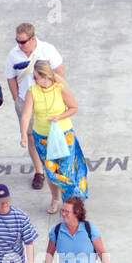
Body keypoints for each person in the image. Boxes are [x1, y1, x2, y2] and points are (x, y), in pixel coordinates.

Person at [19, 60, 88, 214]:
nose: (35, 80)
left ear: (45, 76)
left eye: (37, 77)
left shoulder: (60, 89)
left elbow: (74, 107)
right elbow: (26, 115)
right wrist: (23, 134)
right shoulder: (32, 91)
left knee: (65, 170)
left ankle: (71, 203)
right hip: (42, 138)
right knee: (51, 172)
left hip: (64, 136)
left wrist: (60, 116)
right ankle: (55, 198)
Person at [5, 23, 65, 190]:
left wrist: (57, 96)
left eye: (23, 41)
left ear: (32, 39)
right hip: (26, 100)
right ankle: (39, 172)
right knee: (31, 137)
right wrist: (16, 97)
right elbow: (10, 77)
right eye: (17, 40)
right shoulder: (13, 55)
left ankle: (55, 166)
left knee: (52, 134)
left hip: (47, 101)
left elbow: (60, 73)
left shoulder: (48, 50)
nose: (19, 44)